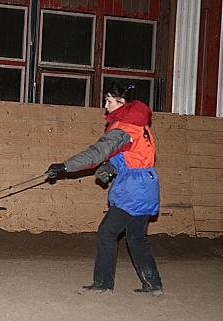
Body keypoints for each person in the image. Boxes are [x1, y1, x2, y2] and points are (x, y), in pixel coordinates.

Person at [45, 83, 163, 297]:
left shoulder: (123, 129)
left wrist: (65, 166)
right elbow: (136, 157)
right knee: (136, 237)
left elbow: (96, 153)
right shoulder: (139, 127)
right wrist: (109, 167)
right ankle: (153, 285)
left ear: (121, 103)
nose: (105, 106)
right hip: (146, 186)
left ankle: (103, 284)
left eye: (109, 101)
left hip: (133, 189)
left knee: (107, 232)